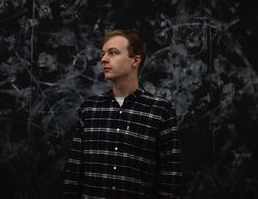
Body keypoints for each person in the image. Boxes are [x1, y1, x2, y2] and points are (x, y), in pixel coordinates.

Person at [62, 29, 183, 198]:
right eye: (103, 53)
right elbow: (74, 170)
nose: (103, 59)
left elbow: (170, 174)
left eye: (113, 53)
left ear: (135, 60)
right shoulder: (89, 109)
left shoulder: (160, 111)